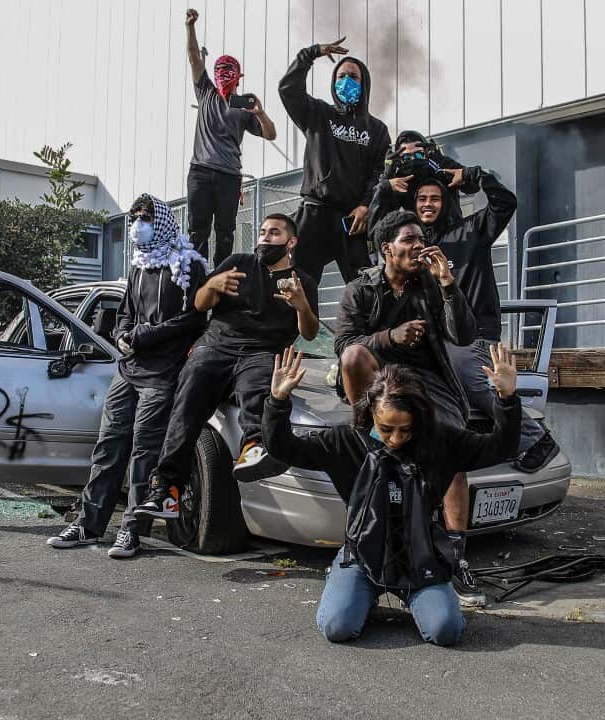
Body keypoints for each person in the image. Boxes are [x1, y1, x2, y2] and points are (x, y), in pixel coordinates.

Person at [262, 345, 521, 646]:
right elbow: (284, 449)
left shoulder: (440, 441)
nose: (396, 439)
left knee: (445, 630)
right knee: (337, 626)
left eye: (405, 429)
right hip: (363, 556)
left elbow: (500, 447)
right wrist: (277, 401)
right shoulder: (345, 442)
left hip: (419, 557)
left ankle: (424, 596)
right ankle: (357, 591)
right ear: (371, 412)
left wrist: (507, 400)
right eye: (386, 429)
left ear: (419, 418)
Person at [332, 209, 488, 607]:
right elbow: (344, 345)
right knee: (353, 356)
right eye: (410, 240)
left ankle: (456, 559)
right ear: (387, 248)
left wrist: (449, 286)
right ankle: (372, 438)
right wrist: (390, 337)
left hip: (430, 381)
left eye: (422, 239)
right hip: (380, 379)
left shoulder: (431, 285)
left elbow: (464, 334)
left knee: (452, 455)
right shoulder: (360, 289)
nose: (419, 246)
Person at [47, 194, 208, 558]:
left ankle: (132, 531)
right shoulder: (138, 264)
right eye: (135, 217)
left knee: (144, 454)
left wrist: (143, 336)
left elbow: (194, 319)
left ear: (162, 220)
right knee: (108, 446)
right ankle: (89, 525)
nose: (139, 223)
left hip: (161, 373)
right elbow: (124, 311)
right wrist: (121, 335)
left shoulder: (186, 264)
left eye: (146, 216)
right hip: (128, 369)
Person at [134, 213, 320, 520]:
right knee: (187, 404)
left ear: (291, 241)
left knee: (258, 388)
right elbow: (199, 305)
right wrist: (214, 284)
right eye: (262, 231)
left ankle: (254, 448)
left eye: (273, 233)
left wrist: (301, 305)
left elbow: (310, 333)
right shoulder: (238, 262)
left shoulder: (304, 281)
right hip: (216, 346)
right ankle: (166, 490)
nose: (264, 238)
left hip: (262, 352)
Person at [412, 165, 561, 474]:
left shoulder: (471, 231)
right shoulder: (414, 245)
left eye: (435, 198)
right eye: (422, 198)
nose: (428, 204)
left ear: (447, 202)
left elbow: (505, 203)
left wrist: (471, 176)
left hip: (475, 331)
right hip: (441, 336)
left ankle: (536, 439)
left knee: (466, 371)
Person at [278, 35, 390, 284]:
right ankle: (301, 325)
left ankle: (365, 324)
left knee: (365, 285)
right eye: (341, 76)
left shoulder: (377, 129)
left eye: (353, 77)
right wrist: (311, 54)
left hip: (353, 220)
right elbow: (288, 89)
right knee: (300, 282)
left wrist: (365, 206)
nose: (347, 81)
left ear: (364, 85)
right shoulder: (318, 113)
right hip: (314, 213)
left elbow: (380, 173)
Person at [184, 8, 277, 264]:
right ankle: (197, 279)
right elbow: (194, 58)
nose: (224, 76)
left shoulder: (244, 107)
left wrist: (260, 113)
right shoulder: (206, 92)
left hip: (228, 175)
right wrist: (190, 27)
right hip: (201, 171)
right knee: (198, 231)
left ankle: (221, 275)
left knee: (225, 233)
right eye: (220, 71)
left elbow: (271, 134)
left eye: (229, 71)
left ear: (238, 77)